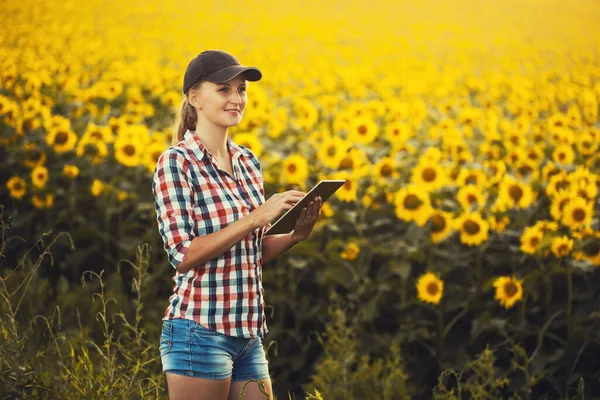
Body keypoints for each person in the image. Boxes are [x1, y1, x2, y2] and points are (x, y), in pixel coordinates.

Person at [152, 50, 323, 400]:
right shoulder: (176, 163)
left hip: (247, 336)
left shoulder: (247, 162)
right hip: (199, 331)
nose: (236, 99)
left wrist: (295, 235)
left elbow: (249, 252)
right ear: (194, 97)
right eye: (224, 89)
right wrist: (256, 218)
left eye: (241, 89)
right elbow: (182, 254)